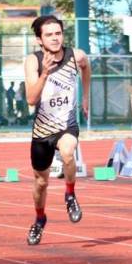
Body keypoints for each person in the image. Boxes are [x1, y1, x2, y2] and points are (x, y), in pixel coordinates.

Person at [24, 15, 91, 246]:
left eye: (58, 33)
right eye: (49, 35)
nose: (55, 38)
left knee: (68, 151)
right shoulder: (33, 61)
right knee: (40, 183)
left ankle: (70, 194)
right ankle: (40, 219)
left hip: (66, 125)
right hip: (43, 130)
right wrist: (44, 73)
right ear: (39, 40)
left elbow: (86, 66)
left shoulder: (75, 55)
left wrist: (85, 96)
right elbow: (31, 99)